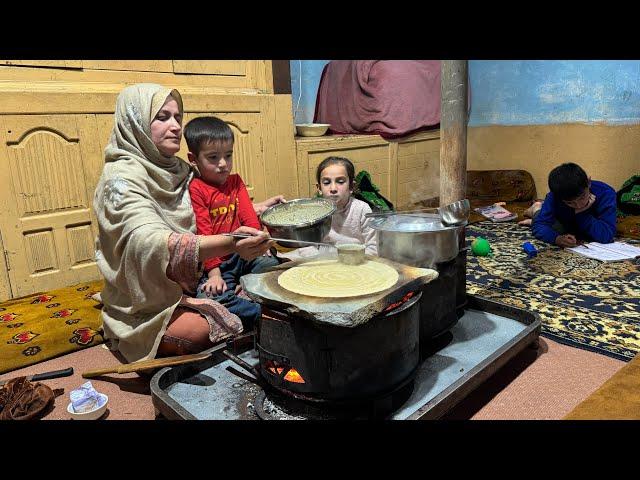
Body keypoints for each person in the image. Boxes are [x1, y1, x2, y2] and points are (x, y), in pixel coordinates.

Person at [93, 83, 273, 362]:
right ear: (136, 123)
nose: (176, 126)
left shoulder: (179, 169)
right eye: (162, 117)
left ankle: (239, 298)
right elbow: (146, 240)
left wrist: (260, 211)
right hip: (151, 297)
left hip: (202, 273)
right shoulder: (121, 178)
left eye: (178, 117)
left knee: (274, 273)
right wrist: (233, 243)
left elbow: (208, 211)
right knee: (198, 332)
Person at [184, 116, 282, 328]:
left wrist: (259, 244)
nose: (223, 164)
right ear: (193, 159)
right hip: (218, 261)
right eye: (213, 157)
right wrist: (215, 274)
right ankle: (262, 315)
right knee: (212, 297)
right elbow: (204, 233)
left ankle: (253, 293)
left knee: (273, 267)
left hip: (243, 254)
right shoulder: (197, 189)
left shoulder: (236, 182)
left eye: (228, 156)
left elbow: (248, 216)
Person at [530, 162, 617, 247]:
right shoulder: (554, 196)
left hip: (581, 226)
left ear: (588, 183)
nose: (579, 205)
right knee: (551, 227)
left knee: (544, 221)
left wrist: (582, 213)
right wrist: (557, 239)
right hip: (563, 223)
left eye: (582, 197)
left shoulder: (606, 193)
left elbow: (607, 236)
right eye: (570, 202)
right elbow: (540, 225)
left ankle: (537, 208)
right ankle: (536, 208)